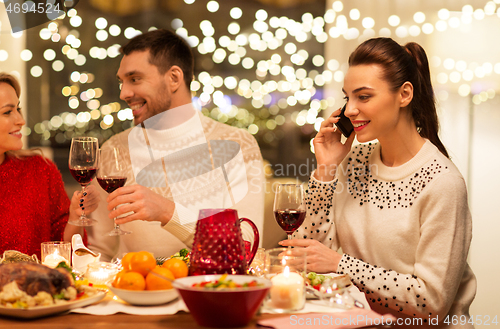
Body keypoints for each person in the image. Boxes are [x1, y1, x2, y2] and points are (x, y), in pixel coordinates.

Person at [281, 38, 476, 327]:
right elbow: (307, 255)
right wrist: (326, 169)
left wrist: (340, 264)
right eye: (348, 97)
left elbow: (431, 303)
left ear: (405, 94)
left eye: (364, 97)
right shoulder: (352, 161)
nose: (349, 110)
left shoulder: (442, 182)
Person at [87, 29, 265, 261]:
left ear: (174, 78)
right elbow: (100, 252)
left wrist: (167, 212)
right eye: (122, 82)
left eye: (135, 79)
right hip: (135, 292)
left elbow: (244, 249)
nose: (124, 93)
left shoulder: (237, 145)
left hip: (209, 291)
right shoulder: (113, 150)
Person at [0, 73, 99, 259]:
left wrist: (76, 217)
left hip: (40, 287)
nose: (21, 120)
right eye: (7, 112)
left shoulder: (39, 169)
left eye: (18, 109)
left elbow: (66, 253)